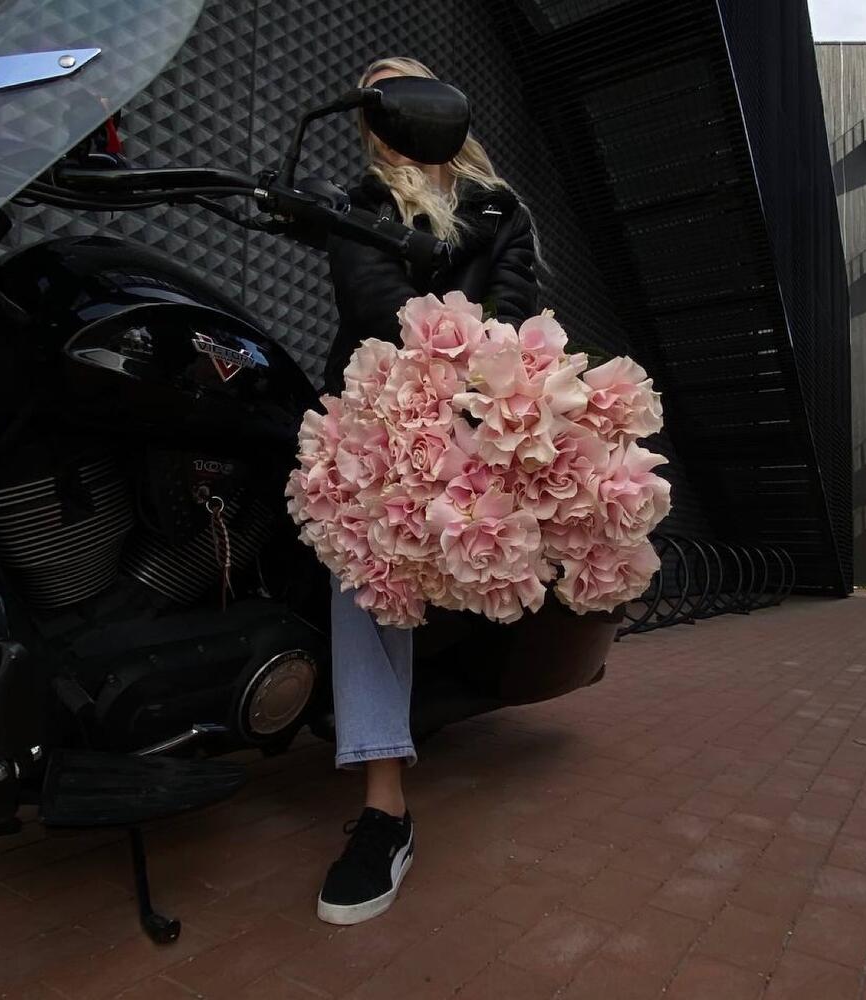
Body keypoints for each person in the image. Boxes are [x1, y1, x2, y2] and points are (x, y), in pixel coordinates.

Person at [316, 56, 542, 925]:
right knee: (361, 560)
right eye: (374, 101)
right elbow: (373, 305)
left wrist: (474, 401)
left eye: (403, 90)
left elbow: (513, 311)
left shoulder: (500, 208)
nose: (390, 111)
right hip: (376, 415)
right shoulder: (361, 202)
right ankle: (385, 809)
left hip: (480, 412)